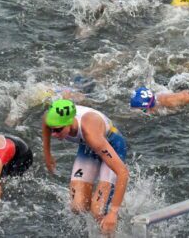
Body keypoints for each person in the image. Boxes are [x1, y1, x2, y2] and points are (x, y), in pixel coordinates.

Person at [42, 99, 128, 235]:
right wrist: (47, 154)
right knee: (78, 206)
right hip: (88, 146)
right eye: (53, 129)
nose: (54, 134)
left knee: (98, 211)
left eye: (58, 130)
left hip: (112, 145)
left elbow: (123, 172)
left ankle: (113, 223)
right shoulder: (52, 117)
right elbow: (46, 123)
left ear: (70, 122)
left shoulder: (90, 132)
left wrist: (113, 212)